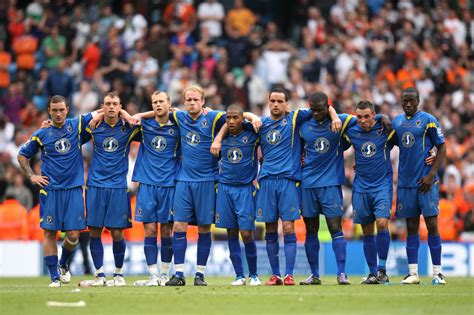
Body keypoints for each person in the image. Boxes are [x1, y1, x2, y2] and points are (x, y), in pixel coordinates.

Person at [224, 87, 340, 286]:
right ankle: (275, 275)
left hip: (288, 181)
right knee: (270, 229)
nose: (276, 105)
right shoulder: (261, 124)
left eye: (280, 101)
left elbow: (323, 106)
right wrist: (251, 116)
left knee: (288, 227)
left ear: (287, 104)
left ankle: (289, 275)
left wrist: (335, 116)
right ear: (268, 102)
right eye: (273, 101)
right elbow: (230, 120)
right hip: (266, 181)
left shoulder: (295, 118)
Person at [159, 85, 260, 286]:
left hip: (207, 180)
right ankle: (178, 274)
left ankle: (200, 274)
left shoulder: (214, 117)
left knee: (205, 228)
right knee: (178, 225)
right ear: (184, 101)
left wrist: (248, 117)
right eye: (188, 99)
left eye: (196, 99)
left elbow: (236, 115)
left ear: (203, 102)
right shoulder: (179, 117)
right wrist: (127, 114)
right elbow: (158, 111)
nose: (192, 103)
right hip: (184, 180)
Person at [17, 95, 99, 287]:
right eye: (54, 110)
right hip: (51, 190)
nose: (58, 113)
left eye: (61, 109)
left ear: (67, 109)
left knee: (73, 235)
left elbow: (100, 114)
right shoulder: (41, 134)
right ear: (49, 111)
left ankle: (63, 264)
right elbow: (22, 156)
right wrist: (32, 176)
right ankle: (54, 277)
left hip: (73, 189)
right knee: (49, 233)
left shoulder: (75, 126)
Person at [80, 92, 139, 287]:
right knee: (95, 231)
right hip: (96, 185)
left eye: (115, 104)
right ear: (102, 106)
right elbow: (71, 129)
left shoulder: (128, 128)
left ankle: (119, 274)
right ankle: (99, 275)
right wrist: (94, 116)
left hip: (118, 187)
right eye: (107, 104)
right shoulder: (93, 127)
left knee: (117, 233)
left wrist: (125, 113)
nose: (111, 107)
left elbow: (148, 125)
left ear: (120, 106)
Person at [393, 87, 447, 285]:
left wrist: (432, 174)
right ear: (400, 101)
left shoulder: (428, 120)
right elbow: (388, 143)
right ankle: (413, 273)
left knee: (432, 225)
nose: (408, 104)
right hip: (406, 183)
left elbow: (442, 147)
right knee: (411, 227)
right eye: (405, 101)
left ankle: (438, 273)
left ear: (418, 100)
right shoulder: (397, 122)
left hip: (426, 182)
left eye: (411, 101)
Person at [298, 92, 352, 285]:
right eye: (312, 110)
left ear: (327, 107)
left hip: (330, 184)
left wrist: (335, 115)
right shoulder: (303, 124)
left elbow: (365, 118)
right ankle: (314, 275)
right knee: (310, 230)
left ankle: (342, 273)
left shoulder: (340, 122)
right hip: (307, 185)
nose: (316, 114)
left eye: (320, 110)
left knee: (335, 228)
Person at [342, 100, 396, 285]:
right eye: (359, 117)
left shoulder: (385, 128)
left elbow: (408, 141)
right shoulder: (351, 130)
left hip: (382, 185)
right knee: (366, 231)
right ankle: (372, 273)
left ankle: (382, 270)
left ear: (373, 115)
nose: (363, 120)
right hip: (361, 187)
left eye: (367, 116)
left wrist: (432, 152)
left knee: (381, 223)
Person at [131, 91, 179, 287]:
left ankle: (165, 275)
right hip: (147, 185)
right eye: (155, 102)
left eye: (161, 102)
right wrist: (142, 115)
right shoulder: (145, 127)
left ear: (169, 104)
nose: (158, 105)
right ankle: (153, 275)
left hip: (169, 184)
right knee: (150, 230)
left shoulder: (178, 126)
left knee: (167, 231)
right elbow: (126, 119)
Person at [211, 105, 261, 286]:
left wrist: (251, 115)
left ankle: (254, 275)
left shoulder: (252, 133)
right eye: (228, 118)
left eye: (235, 118)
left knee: (247, 233)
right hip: (225, 188)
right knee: (230, 232)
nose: (231, 122)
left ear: (242, 119)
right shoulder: (221, 136)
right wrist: (218, 137)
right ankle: (239, 275)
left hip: (245, 189)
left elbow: (256, 120)